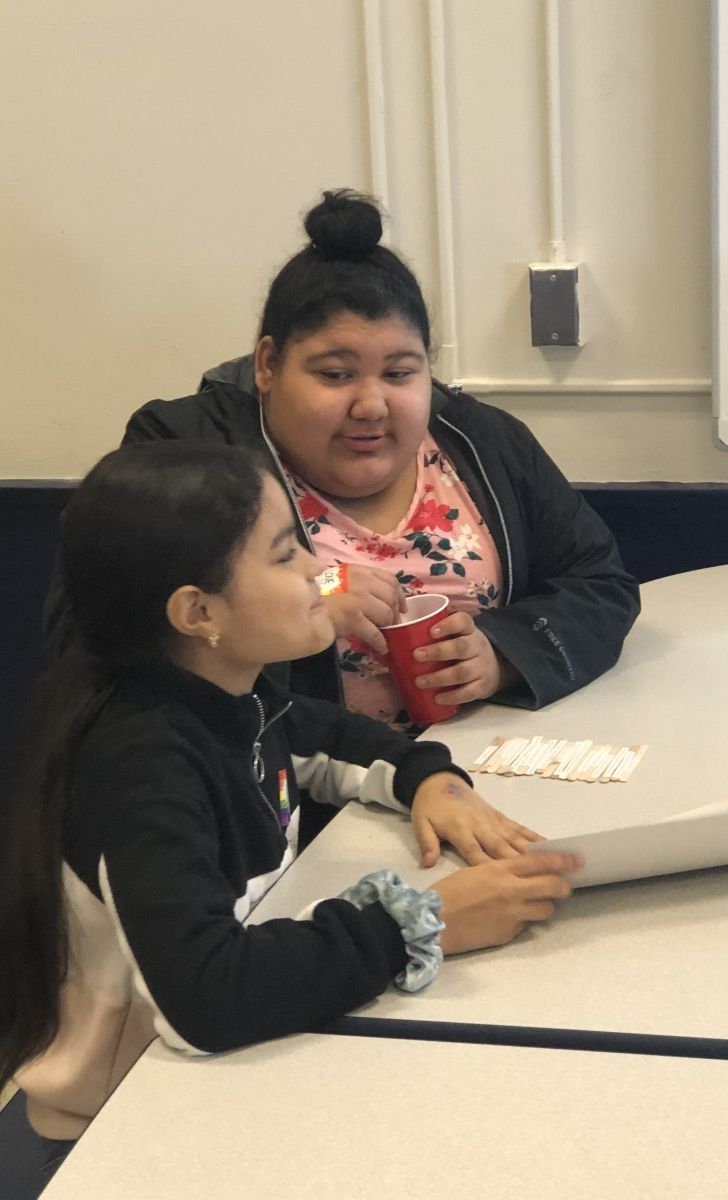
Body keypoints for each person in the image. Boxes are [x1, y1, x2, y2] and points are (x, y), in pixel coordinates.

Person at [1, 442, 580, 1194]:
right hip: (107, 1137)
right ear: (197, 611)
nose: (320, 571)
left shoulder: (226, 694)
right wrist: (417, 922)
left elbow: (320, 734)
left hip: (206, 1090)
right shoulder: (141, 763)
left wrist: (429, 780)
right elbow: (205, 997)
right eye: (286, 556)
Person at [44, 189, 640, 730]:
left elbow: (599, 582)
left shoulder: (483, 441)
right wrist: (312, 592)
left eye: (401, 373)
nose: (372, 405)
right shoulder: (188, 452)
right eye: (335, 374)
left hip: (480, 768)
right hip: (294, 797)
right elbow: (96, 635)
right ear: (269, 365)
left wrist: (505, 654)